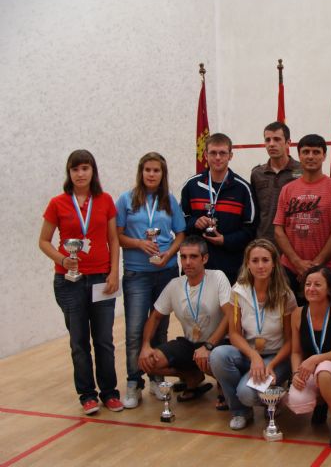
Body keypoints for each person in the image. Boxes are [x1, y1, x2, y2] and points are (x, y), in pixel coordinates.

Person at [39, 149, 122, 415]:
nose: (80, 173)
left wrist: (113, 272)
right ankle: (87, 395)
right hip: (69, 282)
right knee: (79, 341)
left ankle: (110, 393)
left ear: (92, 171)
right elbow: (43, 241)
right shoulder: (57, 203)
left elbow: (113, 240)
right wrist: (63, 260)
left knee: (104, 340)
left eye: (85, 168)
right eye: (75, 169)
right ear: (69, 173)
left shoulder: (106, 200)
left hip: (101, 278)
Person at [115, 152, 186, 409]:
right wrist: (138, 243)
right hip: (136, 274)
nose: (152, 174)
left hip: (165, 272)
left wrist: (171, 252)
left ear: (162, 174)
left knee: (160, 330)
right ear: (141, 172)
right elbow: (117, 236)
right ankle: (134, 382)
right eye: (148, 170)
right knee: (135, 331)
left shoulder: (169, 201)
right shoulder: (126, 200)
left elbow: (180, 233)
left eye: (156, 170)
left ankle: (157, 376)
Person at [210, 239, 296, 430]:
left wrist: (271, 365)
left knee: (247, 393)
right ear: (247, 264)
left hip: (277, 357)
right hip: (249, 355)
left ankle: (273, 398)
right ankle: (240, 411)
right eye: (255, 260)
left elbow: (292, 341)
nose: (260, 265)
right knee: (217, 355)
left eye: (265, 260)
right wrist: (254, 356)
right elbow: (234, 334)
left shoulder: (285, 295)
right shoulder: (238, 291)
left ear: (274, 263)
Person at [138, 236, 230, 403]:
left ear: (205, 258)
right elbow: (155, 316)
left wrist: (209, 345)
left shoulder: (218, 277)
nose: (187, 262)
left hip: (218, 343)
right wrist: (145, 345)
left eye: (193, 257)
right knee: (149, 362)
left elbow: (231, 315)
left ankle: (223, 384)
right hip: (190, 344)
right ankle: (192, 376)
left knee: (213, 360)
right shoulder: (175, 284)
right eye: (183, 257)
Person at [274, 134, 331, 304]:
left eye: (316, 152)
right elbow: (278, 230)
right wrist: (297, 263)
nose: (311, 156)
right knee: (291, 322)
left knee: (329, 324)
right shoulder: (287, 189)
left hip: (327, 270)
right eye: (306, 152)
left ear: (324, 156)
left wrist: (316, 266)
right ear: (299, 155)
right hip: (291, 270)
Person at [287, 266, 331, 449]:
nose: (311, 289)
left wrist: (315, 359)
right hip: (310, 367)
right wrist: (295, 373)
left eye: (317, 284)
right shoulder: (297, 314)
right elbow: (296, 352)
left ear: (330, 288)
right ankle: (322, 403)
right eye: (308, 284)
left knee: (324, 371)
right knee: (296, 400)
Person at [181, 133, 257, 285]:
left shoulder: (243, 189)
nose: (217, 157)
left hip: (231, 266)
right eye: (213, 153)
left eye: (222, 153)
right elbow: (180, 222)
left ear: (230, 155)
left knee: (230, 309)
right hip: (196, 266)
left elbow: (251, 230)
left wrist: (225, 240)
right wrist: (195, 222)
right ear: (205, 155)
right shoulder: (192, 185)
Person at [251, 121, 302, 244]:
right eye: (267, 140)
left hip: (295, 241)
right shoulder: (257, 174)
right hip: (265, 241)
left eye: (277, 139)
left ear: (288, 143)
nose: (271, 144)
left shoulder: (301, 171)